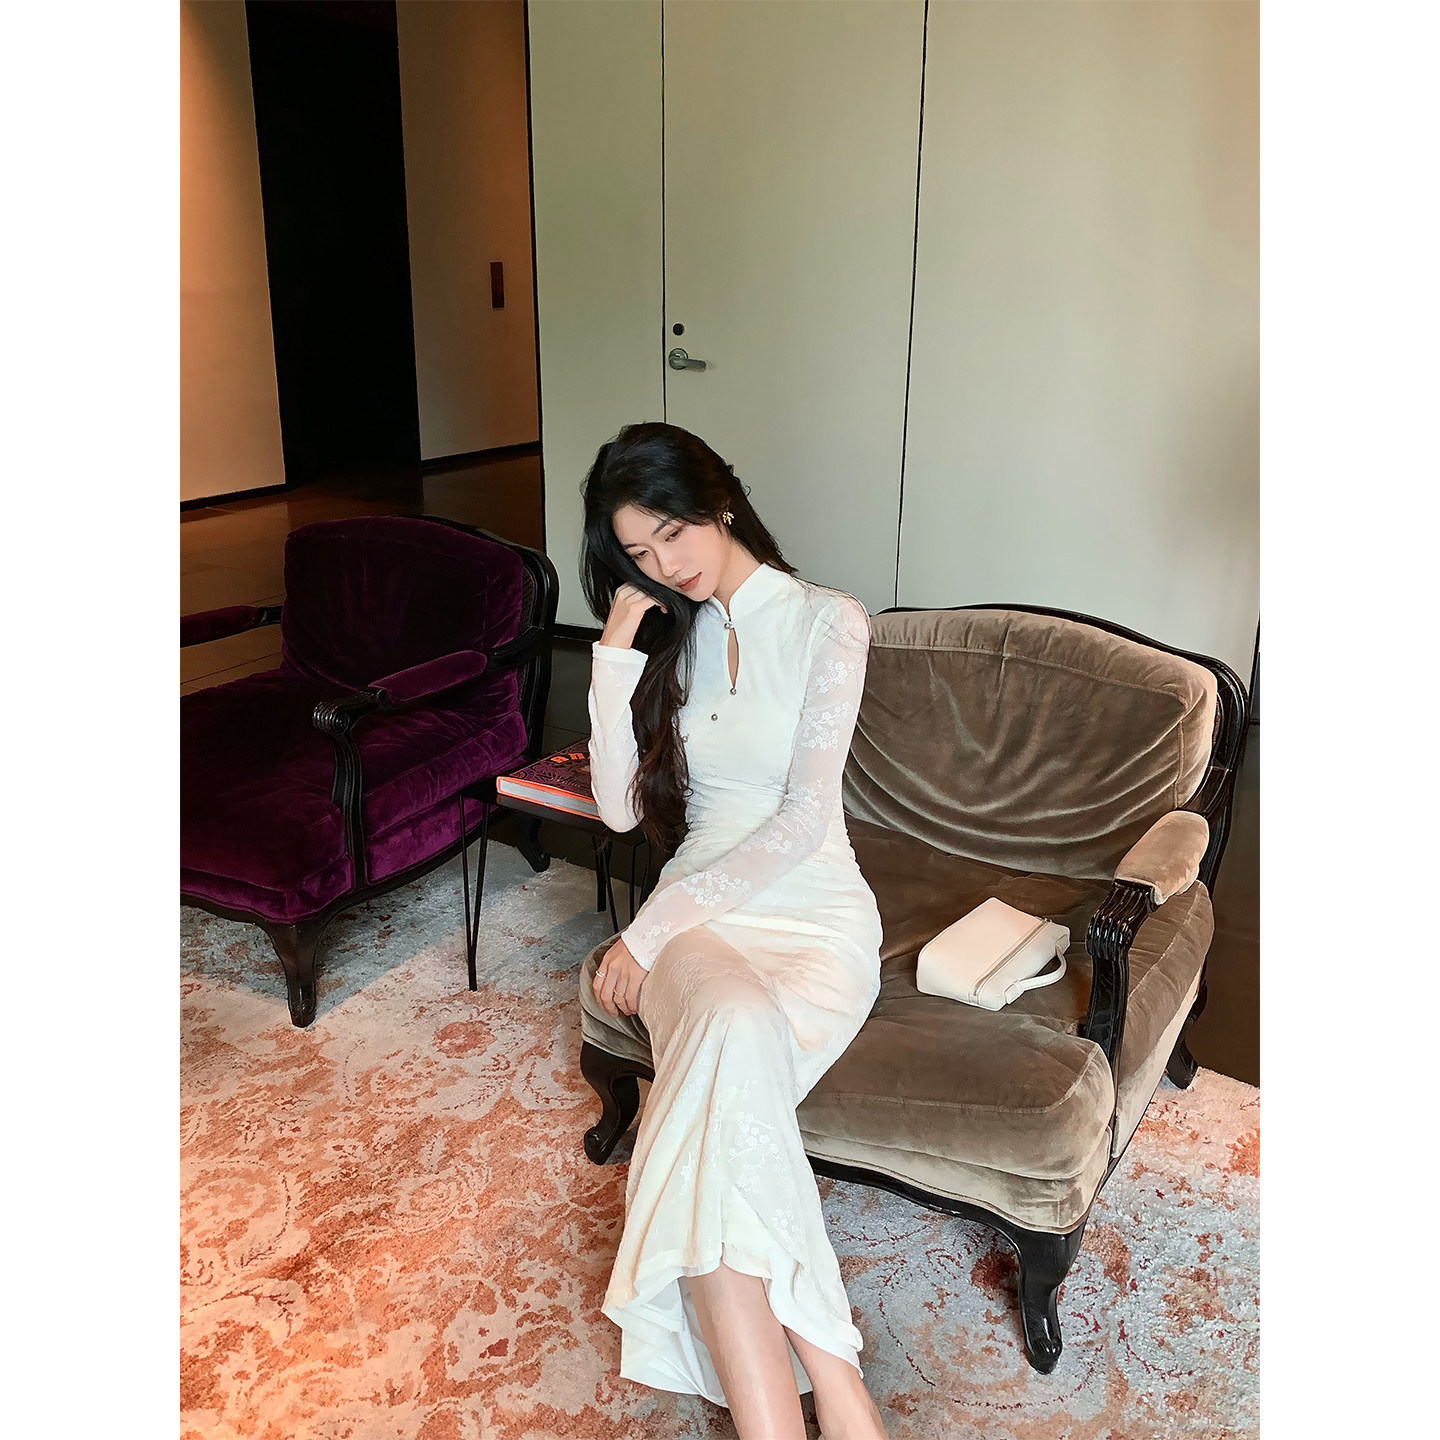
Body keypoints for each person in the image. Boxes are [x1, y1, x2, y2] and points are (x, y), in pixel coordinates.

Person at [580, 422, 890, 1440]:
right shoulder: (676, 639)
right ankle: (832, 1386)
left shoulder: (827, 620)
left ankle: (793, 1409)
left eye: (673, 533)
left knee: (711, 1114)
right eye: (640, 553)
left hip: (814, 911)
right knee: (735, 1029)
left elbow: (803, 820)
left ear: (718, 501)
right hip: (704, 926)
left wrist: (645, 933)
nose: (666, 565)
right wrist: (614, 656)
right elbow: (619, 811)